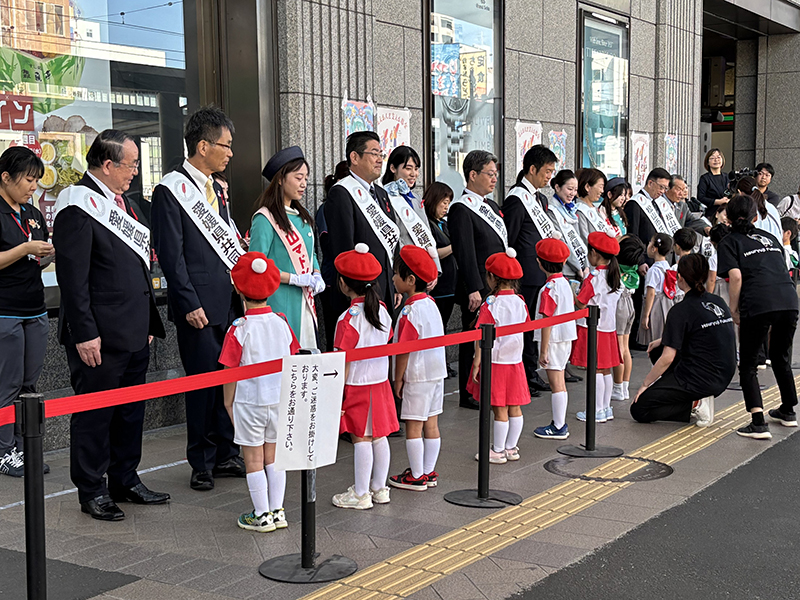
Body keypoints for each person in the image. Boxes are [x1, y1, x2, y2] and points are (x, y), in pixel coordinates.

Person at [54, 129, 168, 520]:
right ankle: (91, 489)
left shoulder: (127, 206)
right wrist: (83, 332)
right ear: (107, 164)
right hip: (98, 335)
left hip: (135, 329)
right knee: (95, 414)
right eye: (131, 164)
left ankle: (125, 478)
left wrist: (149, 319)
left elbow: (137, 267)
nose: (135, 172)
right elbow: (73, 278)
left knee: (130, 412)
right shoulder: (77, 205)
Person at [151, 106, 245, 491]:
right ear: (202, 145)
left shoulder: (218, 189)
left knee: (230, 381)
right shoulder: (170, 190)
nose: (230, 153)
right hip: (198, 307)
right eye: (225, 145)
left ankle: (227, 452)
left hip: (228, 302)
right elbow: (170, 256)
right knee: (203, 383)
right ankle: (202, 460)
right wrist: (188, 303)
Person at [219, 252, 299, 532]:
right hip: (278, 399)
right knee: (274, 457)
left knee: (252, 459)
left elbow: (230, 371)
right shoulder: (282, 323)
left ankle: (261, 515)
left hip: (249, 402)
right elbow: (293, 359)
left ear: (238, 288)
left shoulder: (238, 329)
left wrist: (228, 403)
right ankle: (278, 511)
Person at [717, 194, 799, 439]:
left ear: (728, 218)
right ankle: (787, 410)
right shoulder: (770, 237)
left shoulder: (729, 242)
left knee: (749, 363)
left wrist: (733, 309)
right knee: (780, 356)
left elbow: (737, 277)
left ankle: (758, 422)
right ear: (755, 216)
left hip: (758, 301)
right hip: (788, 299)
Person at [631, 254, 736, 426]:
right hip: (724, 373)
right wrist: (662, 340)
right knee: (658, 348)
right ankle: (690, 396)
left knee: (640, 409)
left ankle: (695, 404)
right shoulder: (717, 301)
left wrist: (645, 385)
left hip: (699, 377)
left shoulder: (681, 309)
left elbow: (667, 358)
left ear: (679, 278)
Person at [0, 147, 54, 477]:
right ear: (5, 177)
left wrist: (48, 253)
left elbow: (38, 257)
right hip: (5, 309)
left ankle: (24, 445)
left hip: (36, 307)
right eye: (28, 180)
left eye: (36, 180)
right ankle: (4, 451)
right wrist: (25, 248)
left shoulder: (32, 213)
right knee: (6, 384)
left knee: (28, 384)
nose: (33, 187)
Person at [331, 244, 397, 509]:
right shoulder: (381, 310)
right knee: (379, 436)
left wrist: (337, 395)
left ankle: (360, 494)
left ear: (344, 284)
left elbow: (342, 360)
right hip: (380, 382)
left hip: (357, 385)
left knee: (361, 438)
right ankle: (380, 489)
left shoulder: (347, 318)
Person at [321, 132, 399, 336]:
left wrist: (396, 283)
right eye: (374, 153)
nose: (380, 159)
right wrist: (358, 292)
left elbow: (392, 241)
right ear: (354, 157)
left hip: (387, 290)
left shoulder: (381, 194)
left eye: (381, 153)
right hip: (360, 294)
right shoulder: (341, 193)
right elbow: (343, 248)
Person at [249, 147, 324, 348]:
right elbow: (256, 265)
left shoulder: (304, 215)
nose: (304, 184)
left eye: (306, 178)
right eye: (298, 177)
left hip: (305, 300)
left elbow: (311, 253)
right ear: (280, 179)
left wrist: (316, 273)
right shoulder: (265, 218)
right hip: (279, 301)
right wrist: (293, 278)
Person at [448, 150, 507, 410]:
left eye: (496, 174)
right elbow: (465, 251)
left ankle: (486, 384)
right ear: (472, 175)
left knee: (491, 340)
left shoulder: (491, 206)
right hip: (479, 286)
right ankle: (467, 392)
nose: (494, 179)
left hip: (498, 284)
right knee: (471, 338)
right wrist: (473, 287)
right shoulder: (461, 208)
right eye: (489, 174)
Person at [502, 145, 559, 396]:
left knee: (537, 324)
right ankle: (525, 373)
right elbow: (510, 238)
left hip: (542, 271)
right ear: (532, 169)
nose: (549, 176)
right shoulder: (516, 198)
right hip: (526, 272)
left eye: (552, 171)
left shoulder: (540, 198)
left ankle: (532, 370)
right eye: (546, 171)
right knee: (526, 326)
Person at [388, 246, 446, 491]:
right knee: (431, 423)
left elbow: (404, 350)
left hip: (417, 375)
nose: (392, 278)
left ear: (410, 280)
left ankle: (416, 475)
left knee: (413, 425)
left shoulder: (409, 311)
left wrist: (398, 379)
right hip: (436, 372)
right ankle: (429, 471)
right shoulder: (431, 304)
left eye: (397, 275)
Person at [467, 248, 530, 463]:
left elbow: (482, 336)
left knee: (499, 408)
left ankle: (497, 450)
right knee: (515, 407)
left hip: (496, 361)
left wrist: (476, 363)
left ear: (492, 277)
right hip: (515, 361)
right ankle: (512, 448)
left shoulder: (491, 304)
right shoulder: (520, 301)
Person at [572, 232, 622, 423]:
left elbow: (581, 303)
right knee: (606, 369)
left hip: (592, 329)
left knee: (595, 370)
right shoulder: (613, 275)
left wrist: (572, 292)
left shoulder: (594, 278)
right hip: (609, 328)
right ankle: (606, 408)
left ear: (594, 253)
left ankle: (596, 410)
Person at [531, 239, 577, 440]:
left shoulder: (548, 289)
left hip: (554, 340)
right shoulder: (564, 283)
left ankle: (559, 425)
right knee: (559, 382)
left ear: (540, 263)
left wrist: (543, 350)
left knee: (556, 382)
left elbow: (547, 320)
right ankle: (559, 423)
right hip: (565, 337)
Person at [381, 146, 440, 273]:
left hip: (421, 266)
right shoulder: (383, 197)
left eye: (416, 169)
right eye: (408, 168)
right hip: (399, 268)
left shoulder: (416, 199)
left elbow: (426, 235)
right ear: (392, 168)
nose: (414, 174)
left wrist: (434, 270)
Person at [317, 160, 351, 349]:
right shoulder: (326, 208)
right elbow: (328, 245)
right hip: (334, 279)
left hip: (352, 280)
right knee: (335, 332)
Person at [611, 236, 646, 402]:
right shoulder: (632, 267)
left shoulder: (616, 268)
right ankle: (624, 386)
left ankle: (617, 387)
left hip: (619, 305)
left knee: (618, 348)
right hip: (630, 304)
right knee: (625, 347)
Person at [424, 182, 457, 335]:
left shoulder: (444, 223)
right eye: (444, 203)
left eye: (448, 203)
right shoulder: (426, 224)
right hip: (438, 285)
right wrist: (455, 246)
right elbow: (433, 252)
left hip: (451, 284)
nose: (446, 208)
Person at [548, 169, 589, 287]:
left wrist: (585, 265)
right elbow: (562, 242)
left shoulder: (571, 210)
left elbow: (579, 239)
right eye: (569, 189)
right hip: (566, 269)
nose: (573, 193)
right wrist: (577, 267)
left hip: (580, 268)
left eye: (575, 190)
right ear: (557, 187)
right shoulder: (552, 211)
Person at [637, 233, 676, 347]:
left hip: (655, 305)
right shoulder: (667, 267)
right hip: (667, 303)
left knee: (655, 338)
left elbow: (651, 293)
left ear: (654, 249)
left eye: (650, 243)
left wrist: (645, 315)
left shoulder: (653, 270)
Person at [575, 168, 610, 242]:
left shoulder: (594, 208)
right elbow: (585, 238)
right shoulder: (579, 210)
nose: (602, 191)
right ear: (587, 187)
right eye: (600, 187)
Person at [697, 148, 730, 220]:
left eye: (718, 157)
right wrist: (718, 202)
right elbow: (701, 197)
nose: (716, 160)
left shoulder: (727, 177)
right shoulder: (705, 178)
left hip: (728, 213)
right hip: (712, 214)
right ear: (707, 162)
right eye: (712, 158)